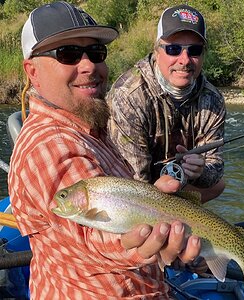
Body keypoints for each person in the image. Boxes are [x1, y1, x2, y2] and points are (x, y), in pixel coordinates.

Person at [8, 2, 204, 299]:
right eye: (68, 54)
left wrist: (160, 211)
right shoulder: (51, 144)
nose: (89, 66)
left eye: (97, 53)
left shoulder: (89, 127)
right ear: (32, 71)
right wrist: (141, 240)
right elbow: (96, 237)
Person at [107, 4, 226, 203]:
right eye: (173, 49)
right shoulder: (129, 96)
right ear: (156, 52)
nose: (185, 60)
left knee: (218, 185)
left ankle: (187, 221)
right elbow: (129, 180)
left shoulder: (212, 99)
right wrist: (156, 193)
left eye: (194, 50)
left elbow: (215, 168)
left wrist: (200, 172)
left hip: (178, 182)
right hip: (131, 190)